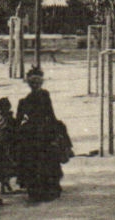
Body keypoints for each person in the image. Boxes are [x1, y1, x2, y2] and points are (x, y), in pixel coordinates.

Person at [15, 67, 74, 202]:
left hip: (37, 131)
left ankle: (39, 188)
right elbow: (49, 114)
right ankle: (45, 187)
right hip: (40, 131)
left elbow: (49, 114)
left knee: (38, 158)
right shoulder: (32, 98)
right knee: (44, 158)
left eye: (37, 82)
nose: (35, 85)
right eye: (33, 83)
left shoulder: (29, 99)